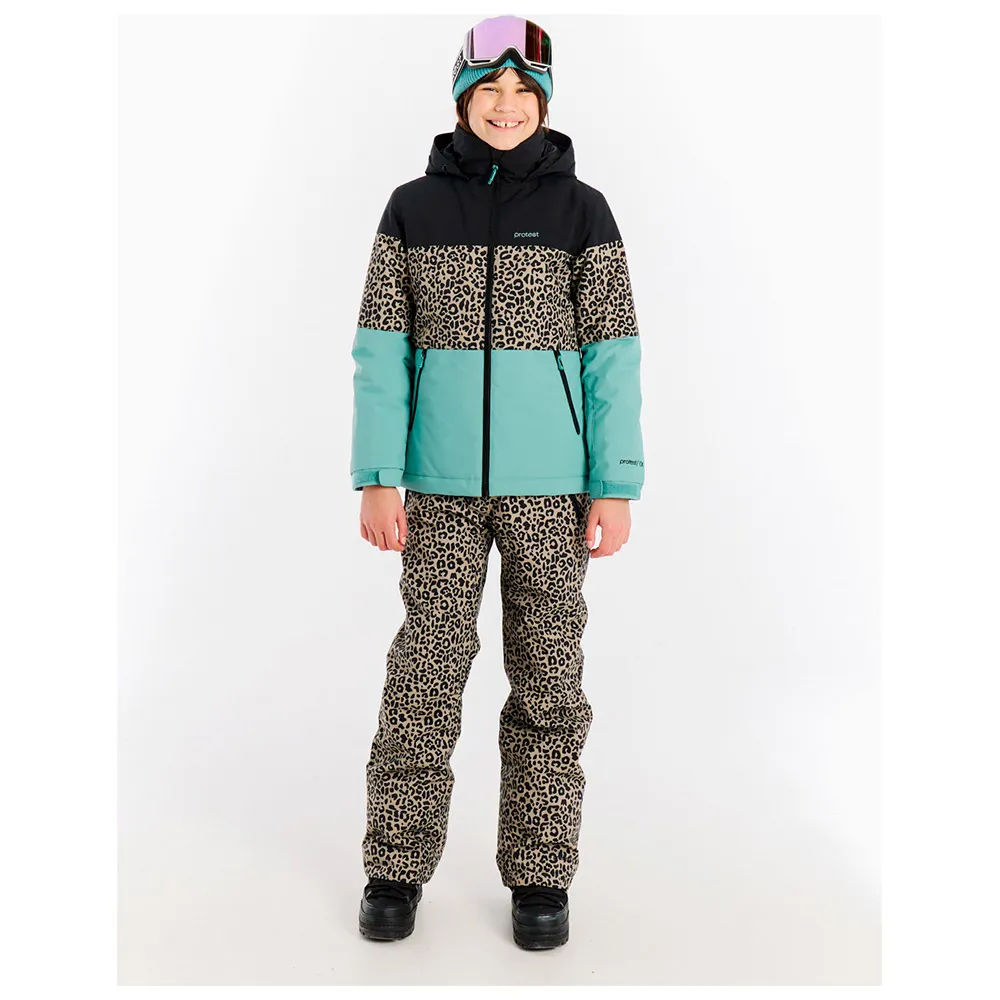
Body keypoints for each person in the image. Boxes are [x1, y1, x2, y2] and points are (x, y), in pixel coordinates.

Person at [352, 15, 644, 951]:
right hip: (436, 491)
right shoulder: (411, 208)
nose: (507, 106)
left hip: (552, 492)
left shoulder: (582, 212)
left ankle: (541, 875)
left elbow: (612, 356)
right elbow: (380, 352)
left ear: (545, 104)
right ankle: (395, 866)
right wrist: (378, 476)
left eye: (524, 92)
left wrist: (614, 484)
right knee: (425, 673)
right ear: (461, 100)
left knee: (550, 682)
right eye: (489, 90)